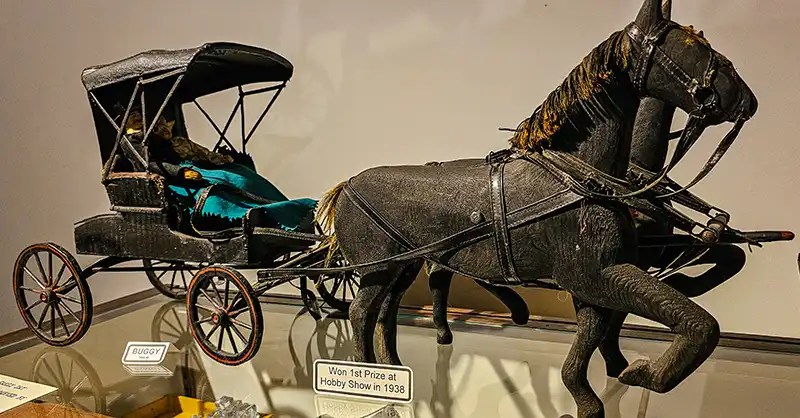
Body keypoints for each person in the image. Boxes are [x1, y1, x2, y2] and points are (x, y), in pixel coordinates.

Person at [124, 109, 317, 234]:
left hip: (195, 168)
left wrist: (224, 159)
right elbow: (153, 166)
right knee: (220, 185)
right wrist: (180, 172)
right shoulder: (137, 147)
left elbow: (202, 152)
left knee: (240, 173)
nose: (163, 130)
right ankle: (252, 214)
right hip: (176, 182)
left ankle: (284, 206)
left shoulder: (178, 143)